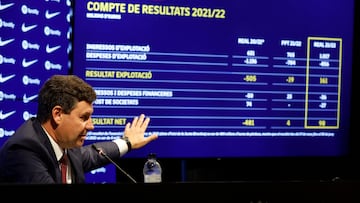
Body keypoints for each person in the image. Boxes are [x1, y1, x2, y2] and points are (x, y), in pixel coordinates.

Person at [0, 74, 158, 184]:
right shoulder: (23, 150)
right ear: (58, 114)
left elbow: (93, 154)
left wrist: (128, 142)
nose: (91, 126)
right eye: (84, 117)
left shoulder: (65, 145)